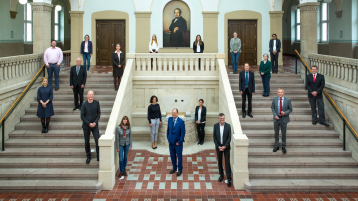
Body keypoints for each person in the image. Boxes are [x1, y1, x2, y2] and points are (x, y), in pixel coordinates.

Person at [81, 90, 101, 164]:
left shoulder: (96, 103)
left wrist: (95, 122)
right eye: (90, 94)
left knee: (97, 140)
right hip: (86, 126)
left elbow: (99, 113)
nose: (91, 96)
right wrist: (89, 123)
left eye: (92, 94)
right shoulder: (84, 104)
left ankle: (98, 156)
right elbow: (82, 116)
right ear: (87, 95)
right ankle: (88, 156)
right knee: (87, 141)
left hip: (95, 126)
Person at [271, 88, 293, 154]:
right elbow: (272, 108)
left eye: (281, 92)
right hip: (276, 119)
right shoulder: (274, 99)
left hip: (284, 119)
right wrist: (275, 115)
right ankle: (276, 146)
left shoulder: (288, 100)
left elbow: (290, 109)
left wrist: (285, 113)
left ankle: (283, 147)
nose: (280, 93)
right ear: (277, 93)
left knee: (283, 134)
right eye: (279, 92)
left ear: (283, 93)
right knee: (276, 134)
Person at [213, 113, 232, 187]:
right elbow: (214, 137)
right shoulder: (215, 126)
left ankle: (228, 178)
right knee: (220, 162)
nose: (222, 120)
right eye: (221, 118)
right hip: (218, 147)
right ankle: (221, 175)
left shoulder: (228, 126)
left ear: (224, 118)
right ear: (219, 119)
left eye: (223, 118)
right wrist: (218, 146)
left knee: (227, 162)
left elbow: (229, 138)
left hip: (226, 148)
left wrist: (225, 146)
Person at [167, 108, 185, 177]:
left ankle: (180, 169)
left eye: (175, 113)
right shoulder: (170, 119)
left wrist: (179, 142)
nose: (173, 114)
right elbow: (168, 130)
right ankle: (174, 167)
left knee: (179, 157)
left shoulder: (181, 121)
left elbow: (183, 133)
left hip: (178, 144)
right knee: (172, 156)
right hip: (171, 142)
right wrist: (168, 138)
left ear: (177, 113)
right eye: (173, 113)